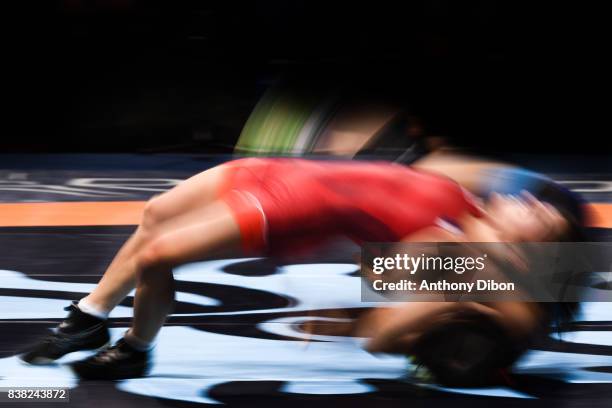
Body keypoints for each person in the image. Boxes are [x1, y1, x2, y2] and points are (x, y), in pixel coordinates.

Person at [20, 157, 583, 381]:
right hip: (290, 172)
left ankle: (134, 349)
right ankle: (92, 313)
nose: (528, 203)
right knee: (155, 214)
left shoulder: (473, 259)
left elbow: (388, 305)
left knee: (158, 254)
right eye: (532, 202)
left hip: (306, 201)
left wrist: (444, 297)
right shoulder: (480, 206)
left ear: (535, 254)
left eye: (541, 218)